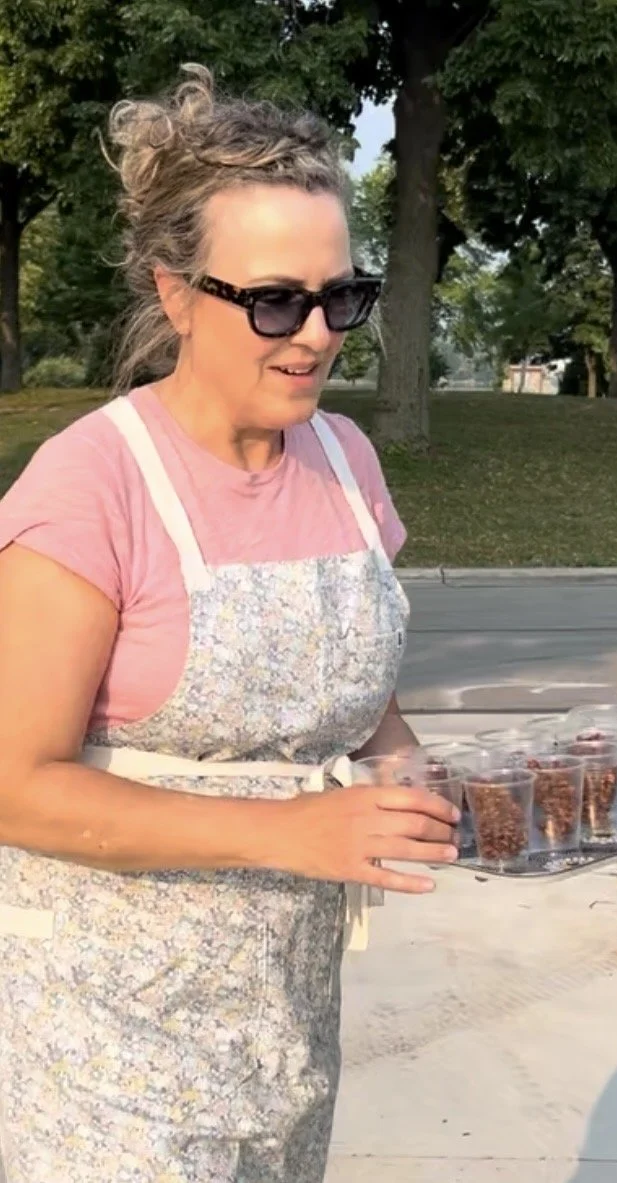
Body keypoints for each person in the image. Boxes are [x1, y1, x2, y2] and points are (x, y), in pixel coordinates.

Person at [0, 64, 460, 1183]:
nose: (314, 336)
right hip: (104, 1048)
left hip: (286, 1019)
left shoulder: (345, 464)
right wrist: (286, 833)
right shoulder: (90, 484)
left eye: (339, 298)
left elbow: (353, 690)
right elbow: (14, 781)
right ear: (173, 293)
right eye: (272, 301)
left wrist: (411, 769)